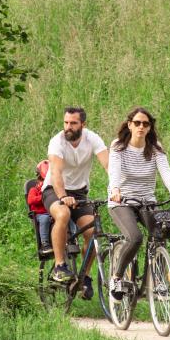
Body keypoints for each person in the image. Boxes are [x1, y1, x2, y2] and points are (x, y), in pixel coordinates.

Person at [108, 107, 170, 299]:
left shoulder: (155, 148)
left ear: (150, 127)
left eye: (145, 124)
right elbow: (115, 171)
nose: (141, 127)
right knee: (135, 238)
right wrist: (115, 190)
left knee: (159, 235)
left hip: (146, 201)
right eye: (137, 123)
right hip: (122, 201)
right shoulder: (118, 146)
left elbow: (166, 171)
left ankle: (156, 283)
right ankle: (117, 277)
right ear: (129, 125)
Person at [42, 106, 109, 298]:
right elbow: (55, 172)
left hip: (79, 192)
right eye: (66, 123)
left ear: (83, 125)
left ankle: (85, 277)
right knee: (63, 214)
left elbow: (108, 164)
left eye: (73, 123)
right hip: (54, 190)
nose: (68, 127)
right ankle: (59, 266)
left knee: (91, 230)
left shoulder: (92, 138)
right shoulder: (57, 142)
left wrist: (116, 188)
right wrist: (62, 196)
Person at [26, 159, 52, 254]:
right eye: (42, 180)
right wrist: (44, 196)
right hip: (41, 214)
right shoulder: (34, 189)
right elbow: (30, 200)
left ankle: (72, 239)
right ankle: (45, 243)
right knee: (45, 219)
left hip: (53, 211)